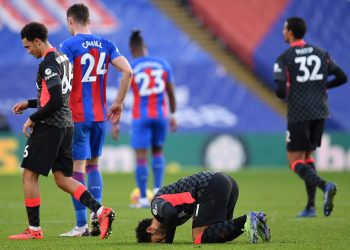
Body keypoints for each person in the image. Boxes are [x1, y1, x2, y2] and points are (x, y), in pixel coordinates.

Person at [9, 22, 115, 240]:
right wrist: (30, 103)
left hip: (50, 126)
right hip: (67, 124)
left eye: (28, 47)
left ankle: (34, 230)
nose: (28, 52)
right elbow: (57, 94)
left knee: (29, 175)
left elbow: (55, 99)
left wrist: (33, 117)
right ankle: (100, 211)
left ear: (37, 41)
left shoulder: (48, 62)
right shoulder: (63, 58)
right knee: (62, 178)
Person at [58, 3, 132, 237]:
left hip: (77, 115)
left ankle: (81, 226)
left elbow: (63, 81)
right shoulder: (106, 44)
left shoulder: (67, 45)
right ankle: (96, 218)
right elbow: (128, 72)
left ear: (71, 21)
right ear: (89, 20)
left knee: (76, 169)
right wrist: (118, 102)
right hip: (100, 116)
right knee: (93, 165)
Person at [273, 17, 347, 217]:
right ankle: (311, 207)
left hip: (299, 112)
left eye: (284, 28)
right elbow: (342, 77)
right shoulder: (321, 53)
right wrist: (322, 86)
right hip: (320, 111)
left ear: (289, 32)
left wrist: (289, 89)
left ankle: (325, 186)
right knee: (307, 157)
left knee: (294, 161)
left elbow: (280, 92)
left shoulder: (285, 58)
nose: (283, 32)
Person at [114, 30, 176, 208]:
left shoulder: (130, 67)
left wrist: (116, 123)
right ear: (145, 47)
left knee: (141, 157)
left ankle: (142, 198)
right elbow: (171, 92)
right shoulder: (162, 64)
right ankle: (158, 193)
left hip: (141, 116)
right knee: (157, 152)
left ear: (132, 50)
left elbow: (121, 96)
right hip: (160, 115)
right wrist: (174, 115)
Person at [135, 171, 271, 244]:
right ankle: (255, 219)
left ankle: (248, 219)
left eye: (158, 241)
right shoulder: (172, 220)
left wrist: (169, 243)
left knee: (198, 237)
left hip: (210, 185)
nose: (162, 240)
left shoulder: (155, 206)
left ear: (150, 230)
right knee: (219, 234)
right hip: (226, 182)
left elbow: (170, 213)